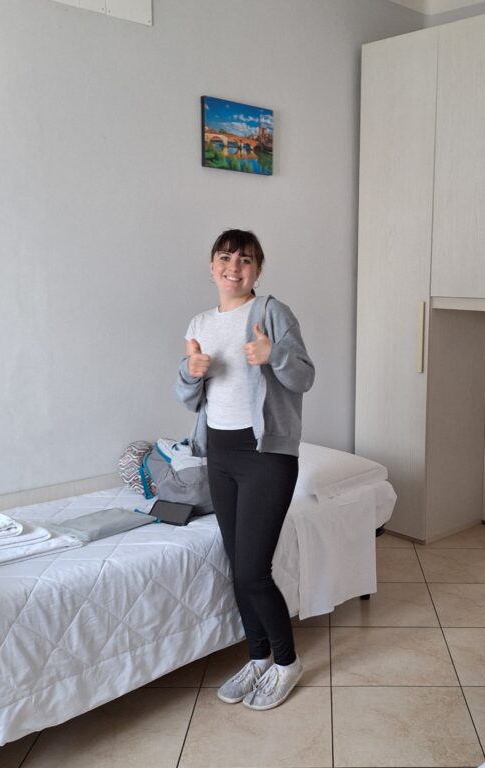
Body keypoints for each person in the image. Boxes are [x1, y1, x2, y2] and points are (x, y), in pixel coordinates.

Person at [174, 228, 314, 710]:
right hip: (220, 454)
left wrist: (274, 356)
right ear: (212, 265)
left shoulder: (273, 312)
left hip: (266, 456)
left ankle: (286, 662)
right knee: (238, 567)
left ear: (258, 269)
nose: (234, 268)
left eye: (246, 260)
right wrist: (190, 372)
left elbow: (304, 376)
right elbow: (187, 395)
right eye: (226, 258)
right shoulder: (199, 322)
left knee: (255, 571)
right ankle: (258, 658)